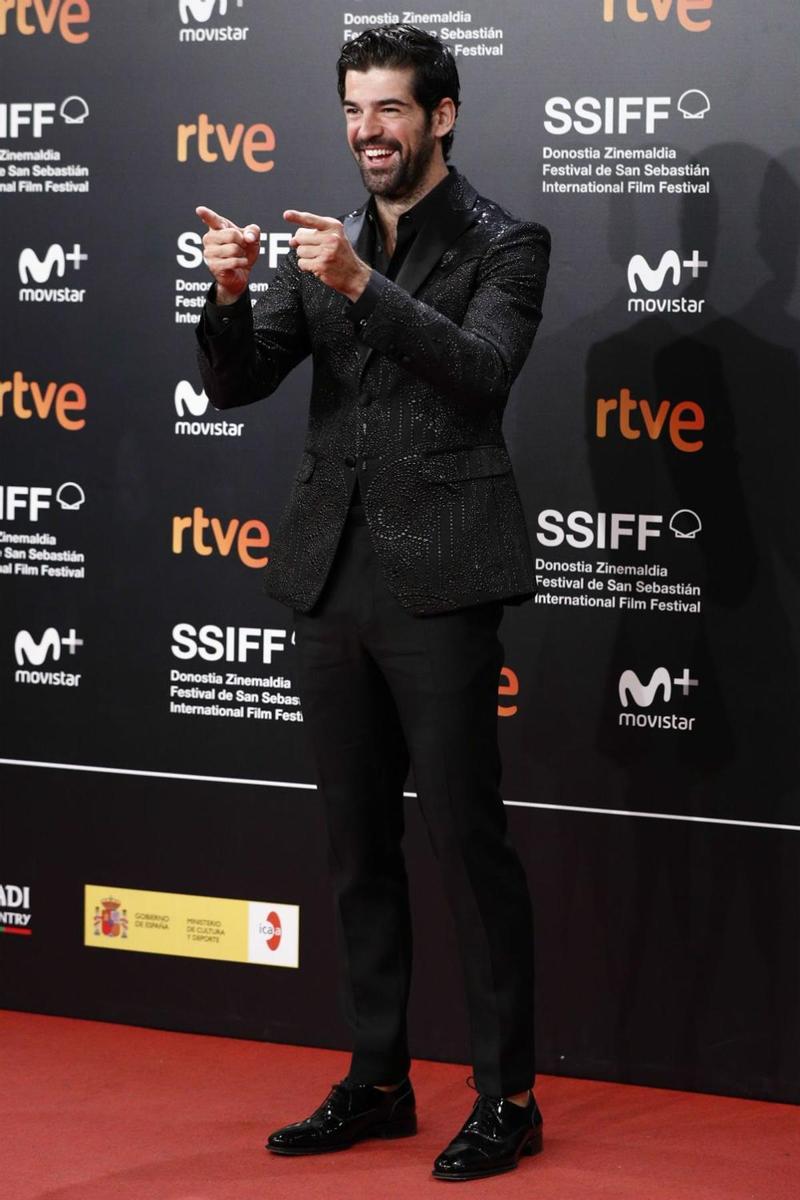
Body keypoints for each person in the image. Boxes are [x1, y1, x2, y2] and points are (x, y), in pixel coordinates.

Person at [195, 24, 550, 1184]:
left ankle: (507, 1100)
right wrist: (234, 298)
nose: (366, 131)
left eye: (389, 110)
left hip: (442, 581)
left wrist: (361, 287)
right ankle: (377, 1080)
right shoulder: (329, 239)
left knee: (466, 842)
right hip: (331, 575)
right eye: (353, 109)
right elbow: (240, 380)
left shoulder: (505, 242)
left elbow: (480, 373)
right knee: (356, 846)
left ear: (439, 116)